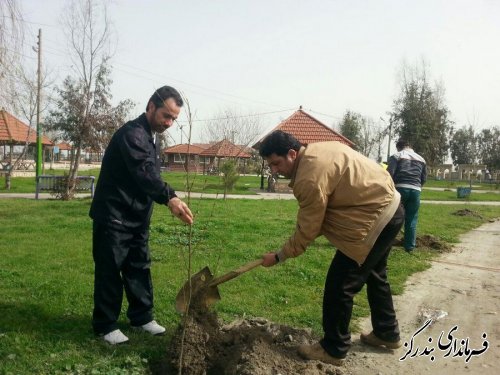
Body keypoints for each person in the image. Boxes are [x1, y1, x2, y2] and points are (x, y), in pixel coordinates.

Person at [259, 130, 404, 366]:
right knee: (376, 274)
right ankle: (387, 332)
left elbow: (309, 228)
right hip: (392, 208)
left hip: (375, 219)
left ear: (292, 154)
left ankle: (334, 348)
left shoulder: (309, 177)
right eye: (270, 165)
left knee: (340, 284)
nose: (274, 170)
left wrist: (278, 256)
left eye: (276, 163)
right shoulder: (319, 149)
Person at [89, 85, 194, 345]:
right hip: (114, 215)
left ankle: (142, 317)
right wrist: (170, 197)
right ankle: (105, 325)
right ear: (151, 106)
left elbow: (148, 176)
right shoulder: (132, 135)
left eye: (173, 119)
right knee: (110, 270)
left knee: (139, 267)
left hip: (135, 218)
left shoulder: (150, 136)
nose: (169, 123)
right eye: (166, 116)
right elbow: (145, 172)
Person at [387, 139, 426, 252]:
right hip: (416, 190)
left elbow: (390, 174)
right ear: (409, 146)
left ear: (399, 147)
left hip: (400, 188)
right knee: (412, 218)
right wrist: (416, 187)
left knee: (394, 217)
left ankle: (388, 242)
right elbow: (424, 179)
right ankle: (409, 247)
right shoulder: (421, 159)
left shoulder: (396, 156)